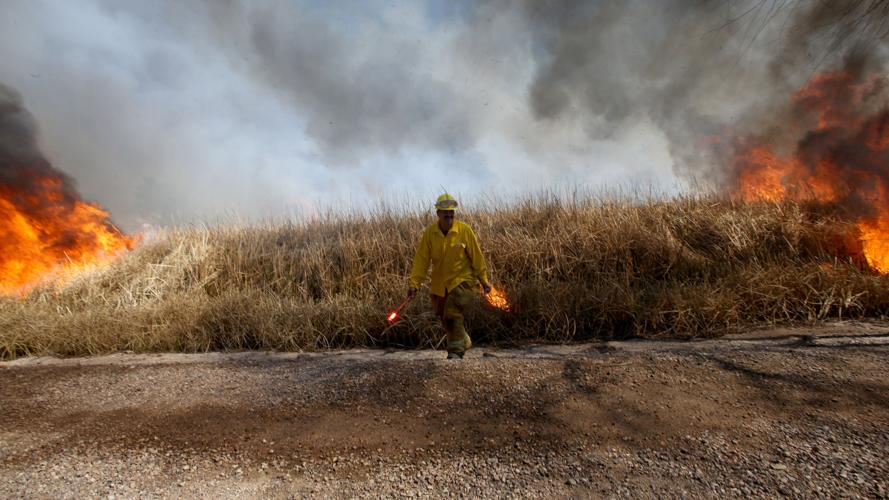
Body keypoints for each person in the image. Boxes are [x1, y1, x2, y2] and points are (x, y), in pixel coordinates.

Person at [408, 193, 492, 359]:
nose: (449, 215)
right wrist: (414, 284)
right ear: (438, 213)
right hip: (440, 284)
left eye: (451, 211)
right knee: (444, 317)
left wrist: (484, 280)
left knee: (452, 312)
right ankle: (464, 339)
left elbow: (477, 256)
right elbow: (421, 261)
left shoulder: (464, 231)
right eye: (445, 212)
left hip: (463, 281)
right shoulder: (430, 234)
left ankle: (455, 352)